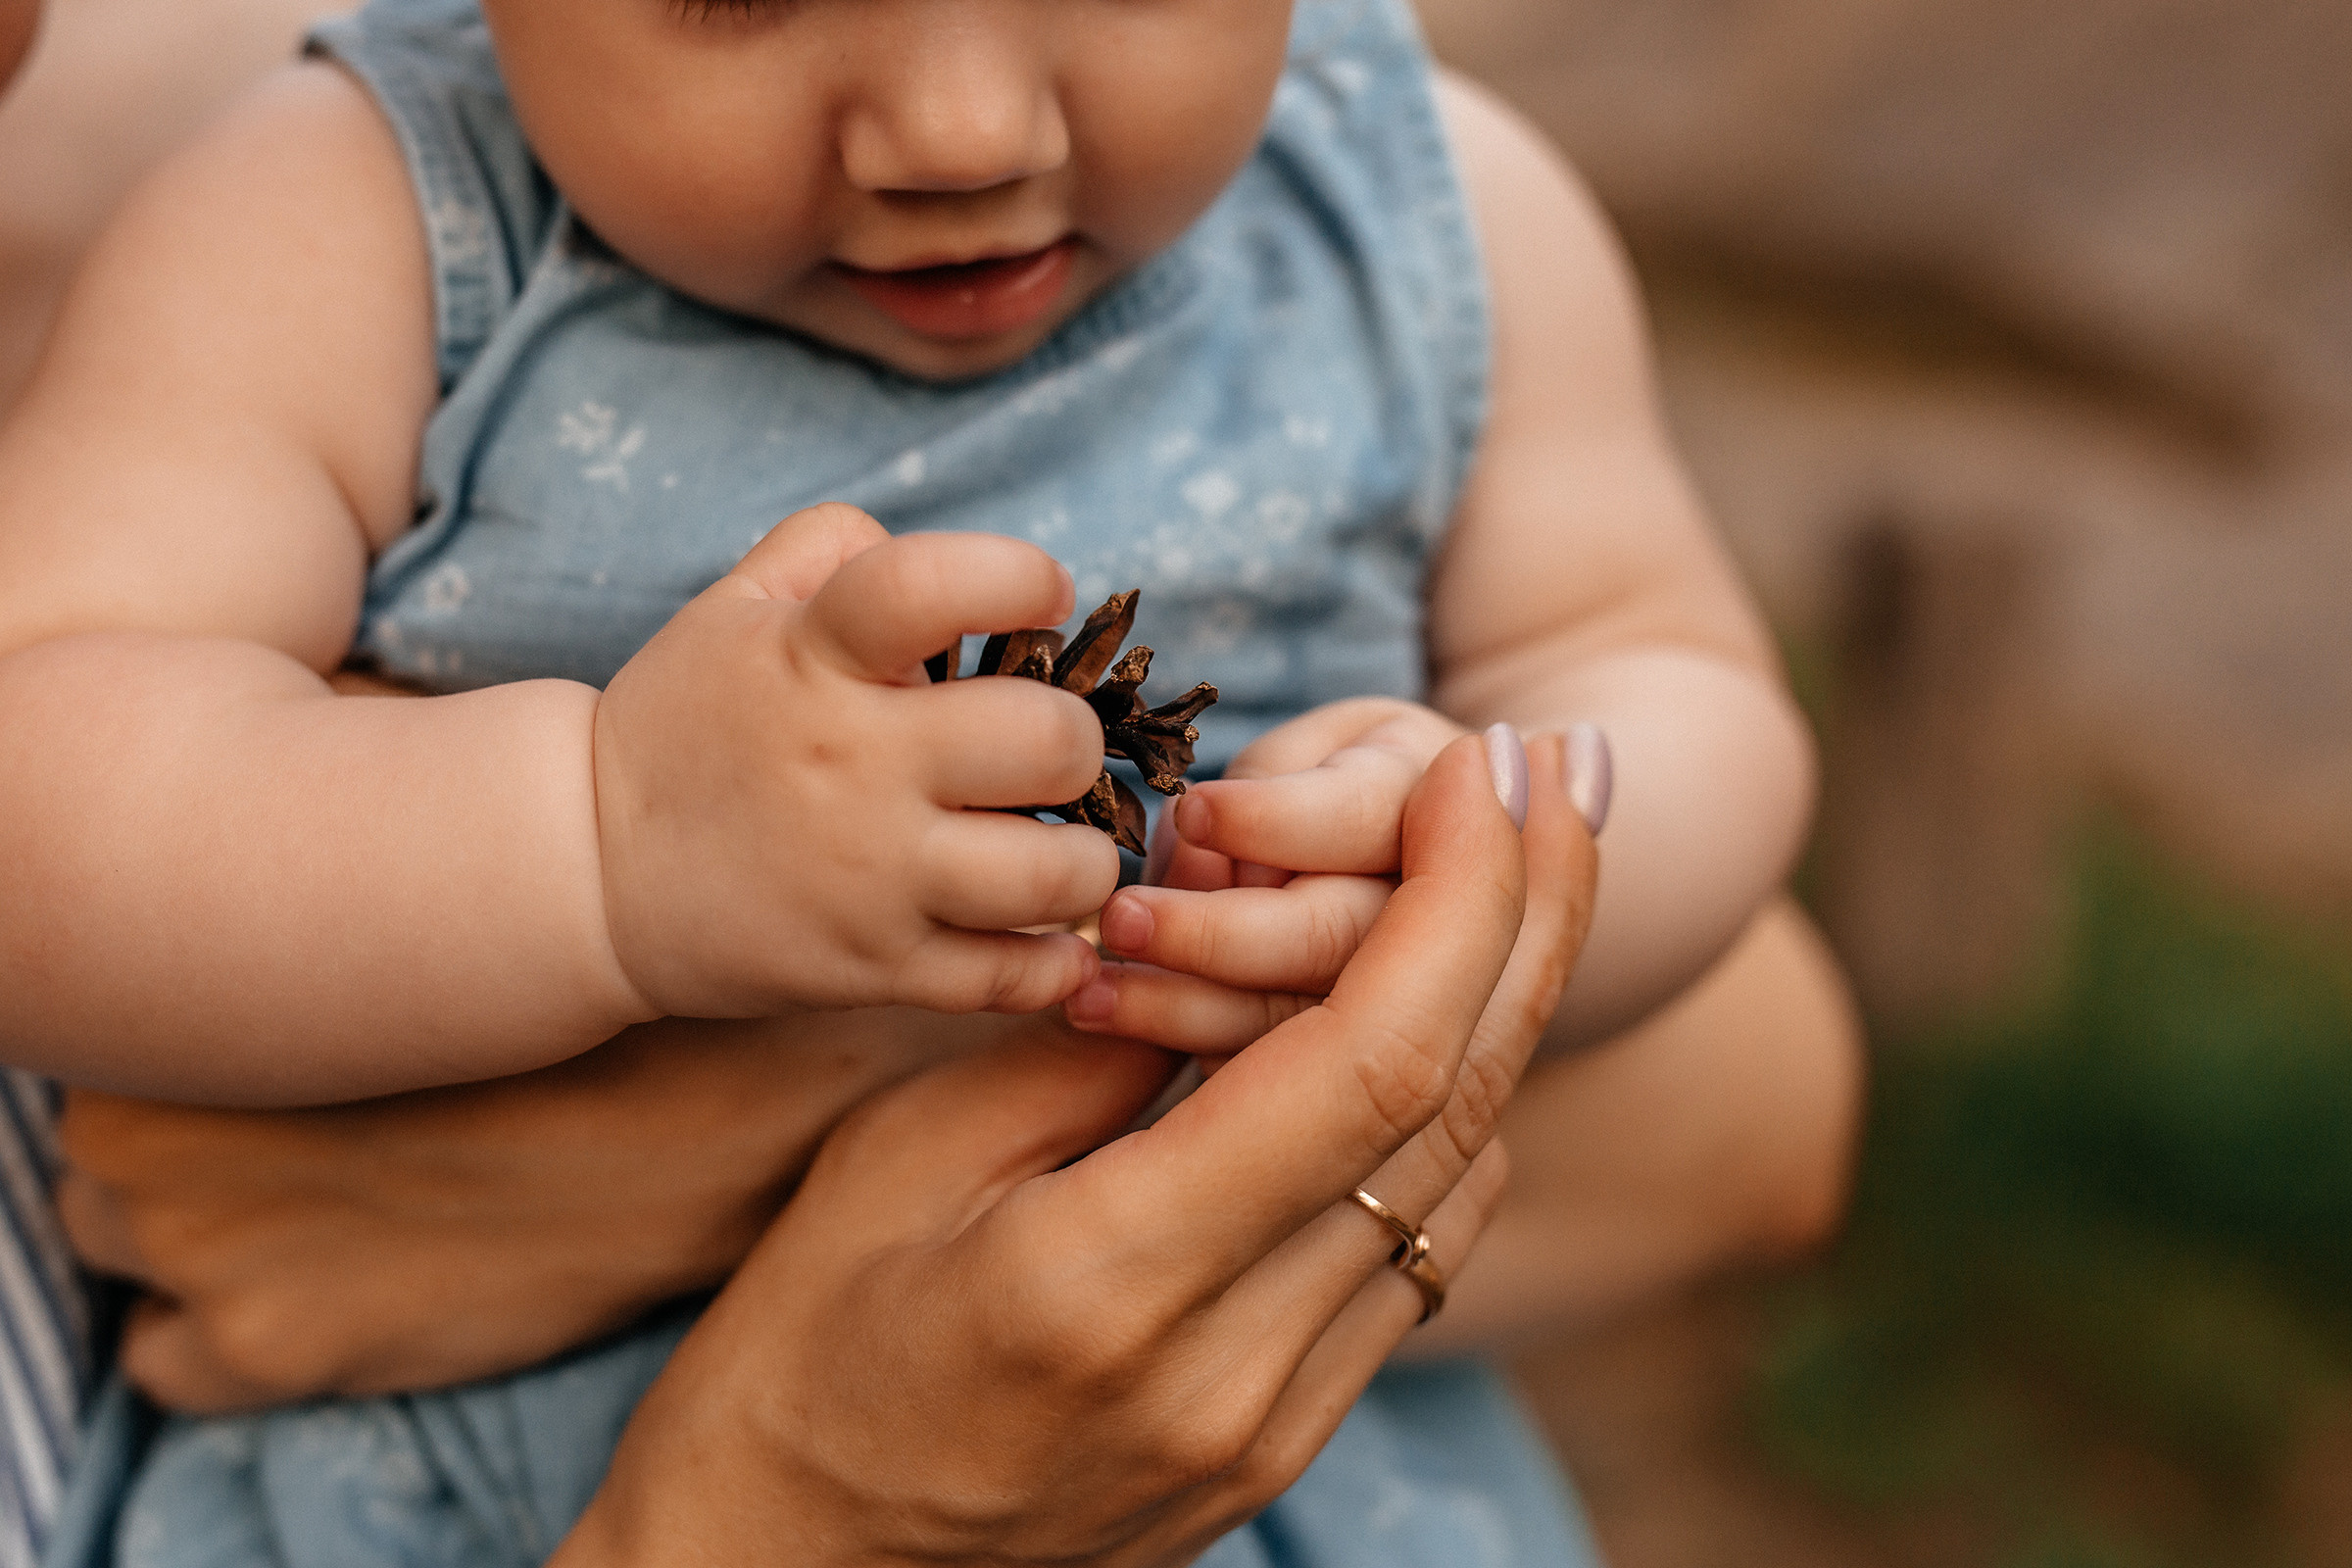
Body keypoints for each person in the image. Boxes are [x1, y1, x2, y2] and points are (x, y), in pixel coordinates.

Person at [0, 0, 1850, 1560]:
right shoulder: (347, 225)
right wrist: (596, 840)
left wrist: (1473, 847)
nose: (960, 128)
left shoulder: (1431, 213)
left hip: (1277, 1462)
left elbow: (1672, 689)